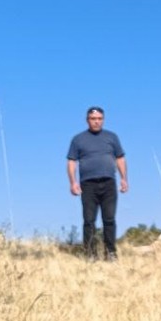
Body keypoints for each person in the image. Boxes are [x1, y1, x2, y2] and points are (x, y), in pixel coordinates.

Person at [66, 106, 128, 260]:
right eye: (93, 119)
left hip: (108, 183)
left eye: (99, 119)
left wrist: (124, 179)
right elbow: (72, 162)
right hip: (88, 184)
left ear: (103, 120)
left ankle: (110, 252)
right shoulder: (78, 139)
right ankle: (90, 253)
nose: (96, 122)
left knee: (109, 219)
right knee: (89, 220)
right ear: (87, 120)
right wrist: (73, 182)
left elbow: (120, 158)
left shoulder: (112, 137)